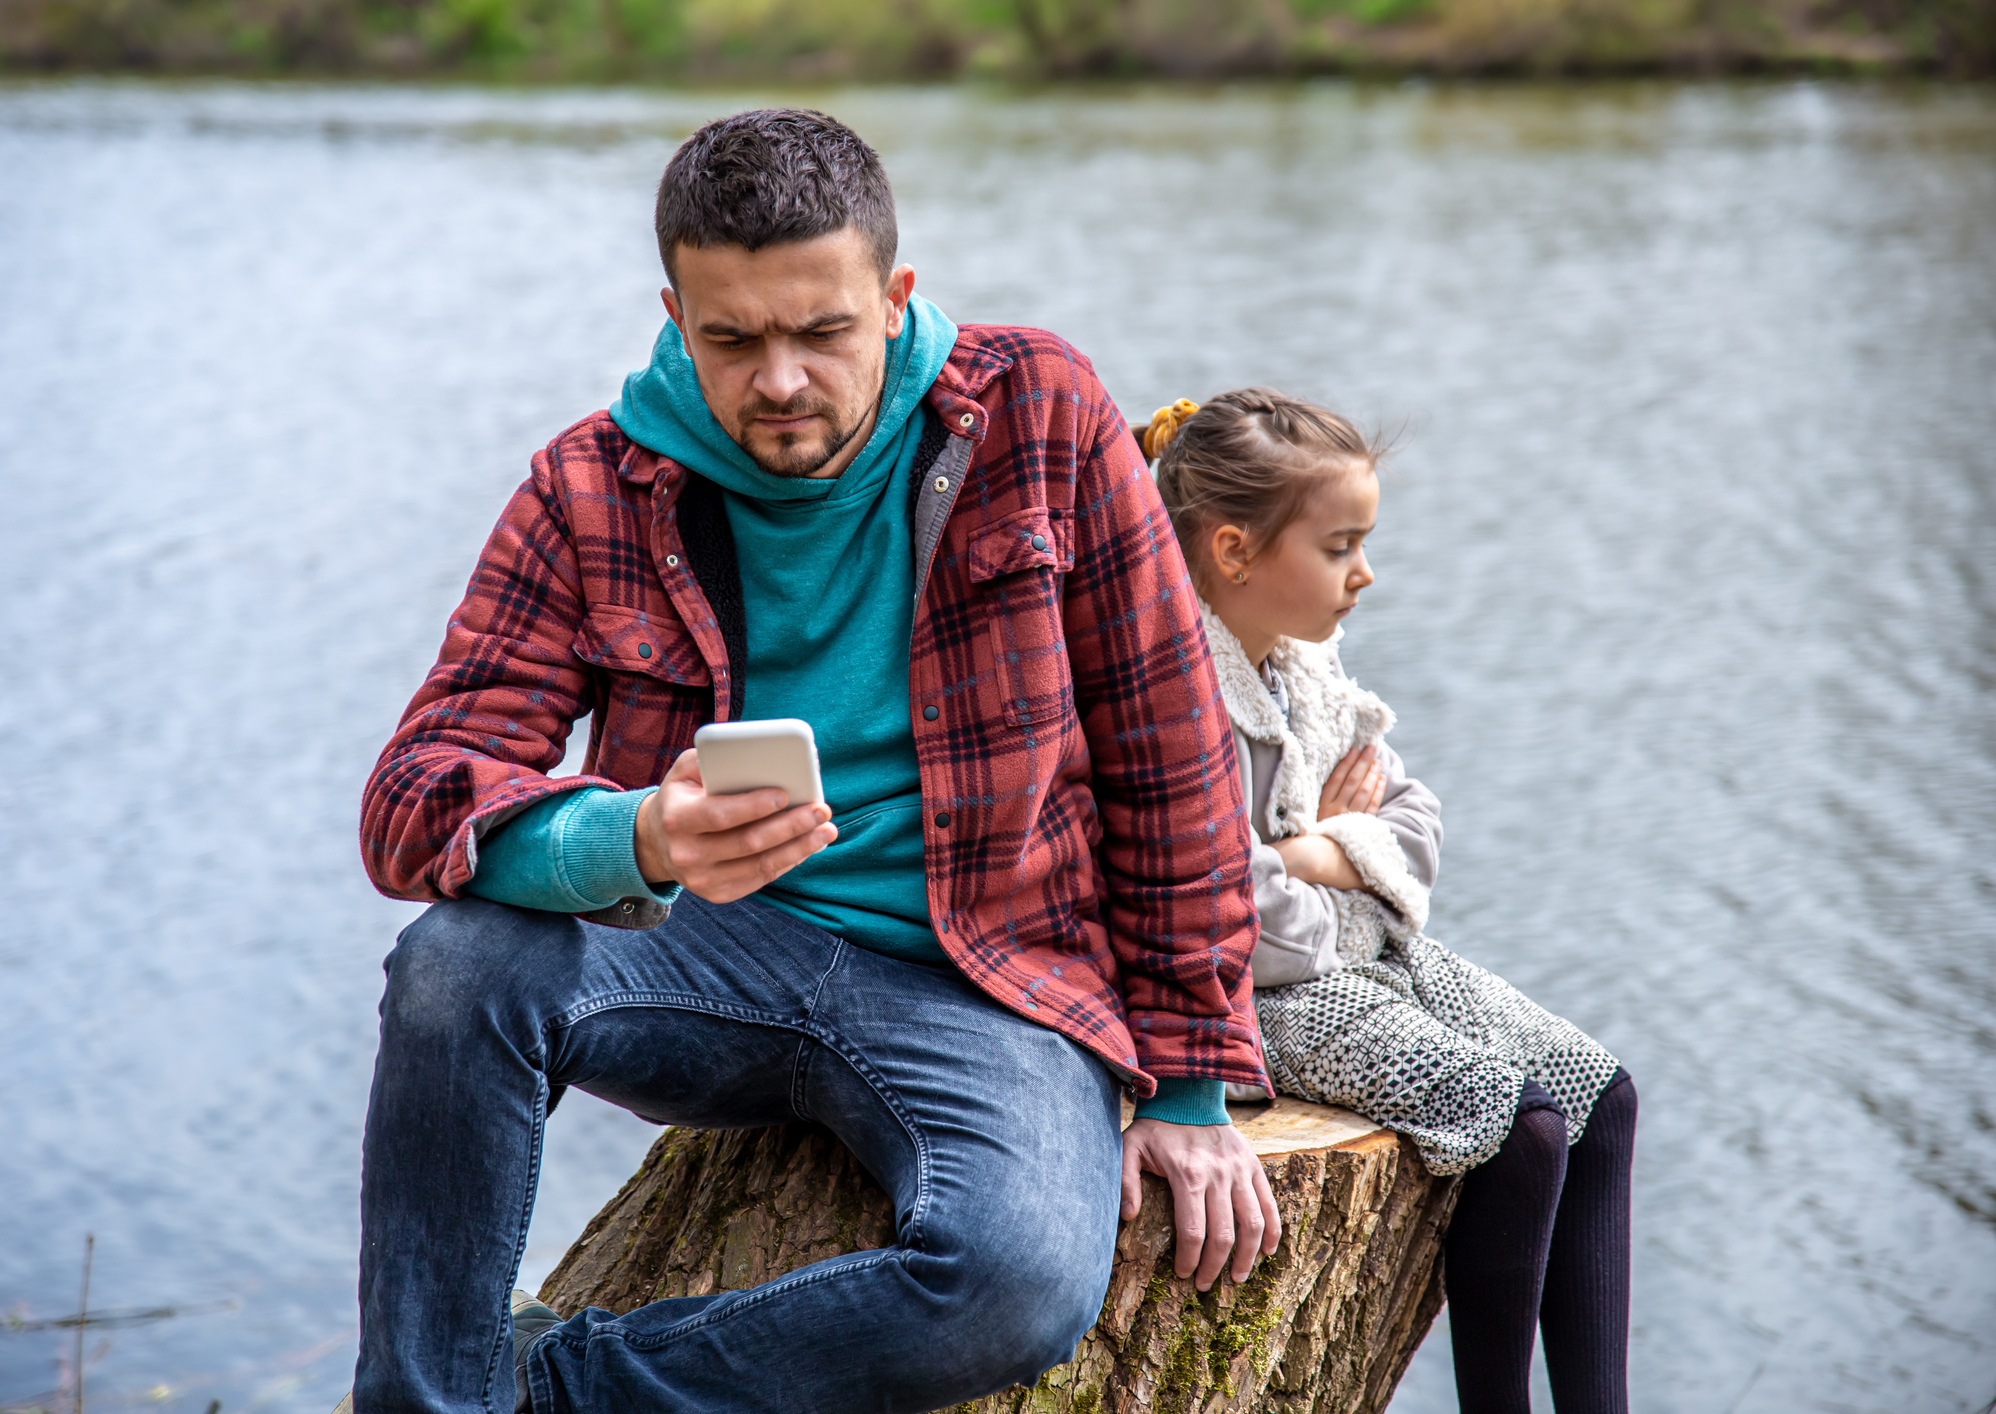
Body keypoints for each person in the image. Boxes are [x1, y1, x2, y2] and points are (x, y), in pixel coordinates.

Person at [353, 110, 1281, 1414]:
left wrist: (1190, 1079)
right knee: (455, 967)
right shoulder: (590, 485)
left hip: (992, 976)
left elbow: (1169, 749)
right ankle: (428, 1400)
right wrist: (637, 841)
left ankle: (545, 1383)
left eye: (822, 332)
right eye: (731, 339)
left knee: (1017, 1281)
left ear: (894, 298)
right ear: (673, 312)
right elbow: (413, 801)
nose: (779, 379)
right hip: (704, 954)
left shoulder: (1041, 411)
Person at [1141, 391, 1637, 1414]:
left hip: (1357, 948)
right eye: (1340, 546)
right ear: (1235, 551)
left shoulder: (1305, 663)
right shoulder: (1170, 686)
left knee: (1604, 1098)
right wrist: (1338, 870)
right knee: (1518, 1124)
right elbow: (1237, 916)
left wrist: (1310, 847)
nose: (1365, 572)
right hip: (1249, 999)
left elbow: (1413, 818)